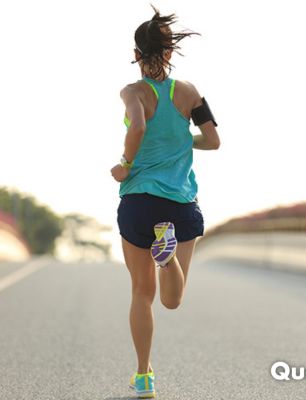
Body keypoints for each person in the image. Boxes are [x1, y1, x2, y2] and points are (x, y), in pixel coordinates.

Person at [110, 6, 220, 399]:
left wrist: (125, 164)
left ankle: (144, 376)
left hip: (140, 200)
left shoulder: (132, 92)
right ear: (170, 53)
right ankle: (168, 256)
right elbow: (214, 140)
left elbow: (138, 125)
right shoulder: (189, 92)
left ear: (136, 54)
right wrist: (182, 139)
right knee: (173, 299)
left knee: (142, 294)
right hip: (180, 204)